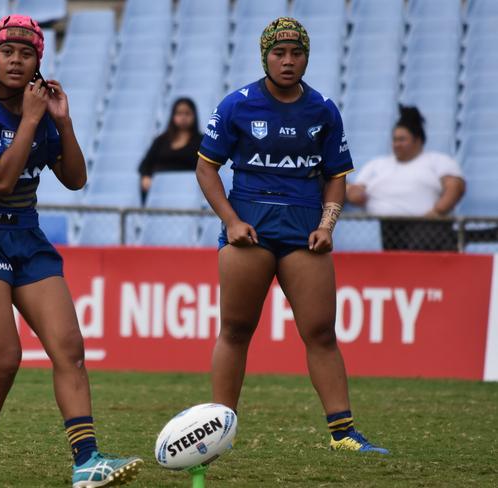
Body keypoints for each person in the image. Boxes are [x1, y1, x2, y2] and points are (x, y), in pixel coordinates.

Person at [0, 15, 142, 488]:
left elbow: (76, 179)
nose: (16, 60)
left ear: (39, 61)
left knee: (70, 349)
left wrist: (62, 121)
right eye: (7, 52)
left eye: (26, 53)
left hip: (27, 237)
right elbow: (0, 180)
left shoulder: (44, 110)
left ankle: (87, 462)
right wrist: (32, 120)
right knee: (5, 359)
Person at [195, 17, 388, 454]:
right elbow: (206, 168)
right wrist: (230, 220)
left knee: (321, 332)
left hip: (304, 233)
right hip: (251, 232)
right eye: (279, 53)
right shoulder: (236, 105)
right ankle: (220, 431)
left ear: (306, 57)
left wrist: (326, 225)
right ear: (265, 56)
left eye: (296, 53)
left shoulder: (322, 110)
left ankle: (343, 435)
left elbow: (337, 177)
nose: (287, 61)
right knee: (236, 330)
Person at [346, 106, 465, 251]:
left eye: (402, 140)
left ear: (418, 140)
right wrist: (352, 192)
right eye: (394, 140)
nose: (396, 144)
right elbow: (357, 191)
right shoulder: (376, 164)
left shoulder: (438, 161)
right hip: (383, 228)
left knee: (425, 237)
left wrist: (437, 212)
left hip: (426, 229)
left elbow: (455, 187)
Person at [138, 97, 202, 201]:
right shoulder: (161, 140)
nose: (183, 117)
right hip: (159, 191)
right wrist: (146, 176)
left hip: (187, 191)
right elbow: (145, 164)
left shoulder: (202, 141)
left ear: (194, 116)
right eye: (179, 113)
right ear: (173, 116)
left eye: (187, 113)